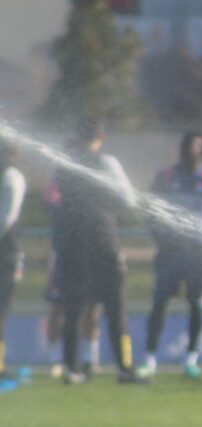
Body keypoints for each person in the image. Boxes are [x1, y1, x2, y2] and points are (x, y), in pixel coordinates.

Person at [55, 117, 145, 384]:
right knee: (116, 306)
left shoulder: (64, 165)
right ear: (101, 137)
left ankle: (71, 369)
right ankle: (124, 368)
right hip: (103, 240)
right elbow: (129, 199)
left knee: (73, 306)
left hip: (72, 242)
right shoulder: (107, 163)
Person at [137, 132, 202, 379]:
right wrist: (160, 239)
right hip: (170, 252)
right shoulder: (167, 177)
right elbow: (150, 209)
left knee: (197, 305)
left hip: (199, 254)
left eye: (195, 147)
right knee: (159, 303)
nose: (190, 151)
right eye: (186, 147)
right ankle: (149, 359)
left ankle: (191, 360)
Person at [43, 179, 103, 378]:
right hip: (62, 257)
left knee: (91, 308)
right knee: (57, 307)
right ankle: (55, 360)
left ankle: (90, 359)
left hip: (89, 256)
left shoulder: (92, 187)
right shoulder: (57, 186)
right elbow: (51, 201)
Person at [0, 137, 26, 386]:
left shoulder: (11, 177)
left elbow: (6, 216)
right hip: (6, 254)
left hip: (6, 254)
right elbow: (6, 218)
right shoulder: (11, 176)